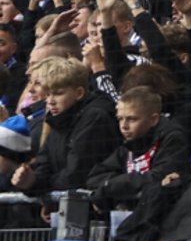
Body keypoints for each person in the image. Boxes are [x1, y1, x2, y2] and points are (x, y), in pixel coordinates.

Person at [9, 56, 119, 200]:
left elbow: (76, 175)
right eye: (48, 94)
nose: (50, 101)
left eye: (58, 93)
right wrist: (30, 181)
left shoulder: (95, 117)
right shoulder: (57, 120)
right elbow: (44, 166)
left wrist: (38, 184)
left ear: (79, 93)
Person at [86, 87, 191, 210]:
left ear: (153, 119)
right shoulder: (130, 143)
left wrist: (113, 188)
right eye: (120, 119)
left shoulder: (172, 139)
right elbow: (94, 178)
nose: (124, 126)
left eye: (132, 119)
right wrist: (115, 186)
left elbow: (160, 177)